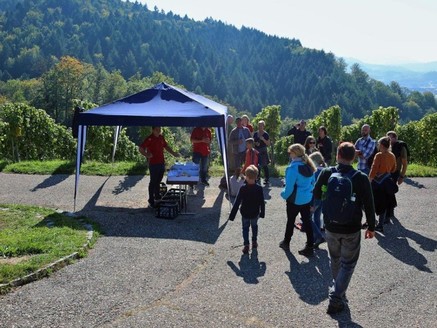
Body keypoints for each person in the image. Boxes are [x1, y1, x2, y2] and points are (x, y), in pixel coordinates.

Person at [313, 142, 375, 315]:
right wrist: (371, 226)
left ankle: (339, 291)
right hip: (351, 228)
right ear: (353, 157)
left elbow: (317, 194)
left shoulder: (327, 172)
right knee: (348, 264)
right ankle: (336, 296)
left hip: (330, 226)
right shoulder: (360, 177)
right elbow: (370, 205)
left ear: (338, 156)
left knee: (335, 259)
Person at [279, 143, 317, 256]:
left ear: (295, 154)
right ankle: (310, 246)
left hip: (294, 200)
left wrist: (283, 194)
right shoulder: (310, 166)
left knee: (290, 221)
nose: (289, 154)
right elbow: (313, 183)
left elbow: (289, 188)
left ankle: (286, 242)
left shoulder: (292, 168)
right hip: (306, 199)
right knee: (307, 222)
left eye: (290, 152)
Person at [139, 126, 179, 208]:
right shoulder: (149, 138)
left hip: (161, 163)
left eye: (159, 130)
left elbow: (166, 146)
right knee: (153, 182)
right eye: (157, 130)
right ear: (153, 130)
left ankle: (157, 197)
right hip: (153, 163)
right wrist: (147, 155)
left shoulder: (161, 137)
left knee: (158, 181)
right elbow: (141, 148)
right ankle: (151, 200)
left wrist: (173, 153)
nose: (158, 131)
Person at [228, 165, 265, 254]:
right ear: (256, 176)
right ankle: (254, 242)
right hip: (255, 213)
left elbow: (237, 202)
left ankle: (246, 245)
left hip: (245, 213)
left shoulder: (243, 188)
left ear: (246, 176)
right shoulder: (259, 188)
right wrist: (262, 213)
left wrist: (232, 215)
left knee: (245, 229)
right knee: (254, 227)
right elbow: (262, 202)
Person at [369, 136, 397, 233]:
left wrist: (370, 180)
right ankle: (381, 223)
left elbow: (374, 168)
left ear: (381, 145)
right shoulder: (392, 155)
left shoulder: (379, 155)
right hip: (387, 181)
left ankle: (372, 222)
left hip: (377, 182)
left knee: (372, 202)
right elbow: (394, 169)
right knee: (384, 203)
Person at [386, 131, 409, 221]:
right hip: (386, 172)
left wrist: (402, 176)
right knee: (387, 190)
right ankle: (390, 208)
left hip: (395, 172)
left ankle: (390, 210)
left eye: (390, 137)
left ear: (395, 138)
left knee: (390, 190)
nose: (388, 139)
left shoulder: (401, 147)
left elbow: (404, 163)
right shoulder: (387, 146)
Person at [309, 151, 327, 248]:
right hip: (322, 198)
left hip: (315, 197)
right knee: (317, 217)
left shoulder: (315, 171)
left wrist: (311, 203)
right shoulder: (325, 169)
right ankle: (315, 238)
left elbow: (313, 187)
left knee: (307, 217)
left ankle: (319, 236)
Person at [253, 120, 271, 185]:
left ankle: (267, 179)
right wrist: (255, 143)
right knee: (257, 165)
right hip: (256, 150)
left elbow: (268, 144)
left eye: (261, 125)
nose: (260, 127)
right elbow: (253, 141)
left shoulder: (266, 134)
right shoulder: (255, 133)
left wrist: (263, 139)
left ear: (263, 126)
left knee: (264, 165)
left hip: (263, 150)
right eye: (259, 125)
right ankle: (258, 177)